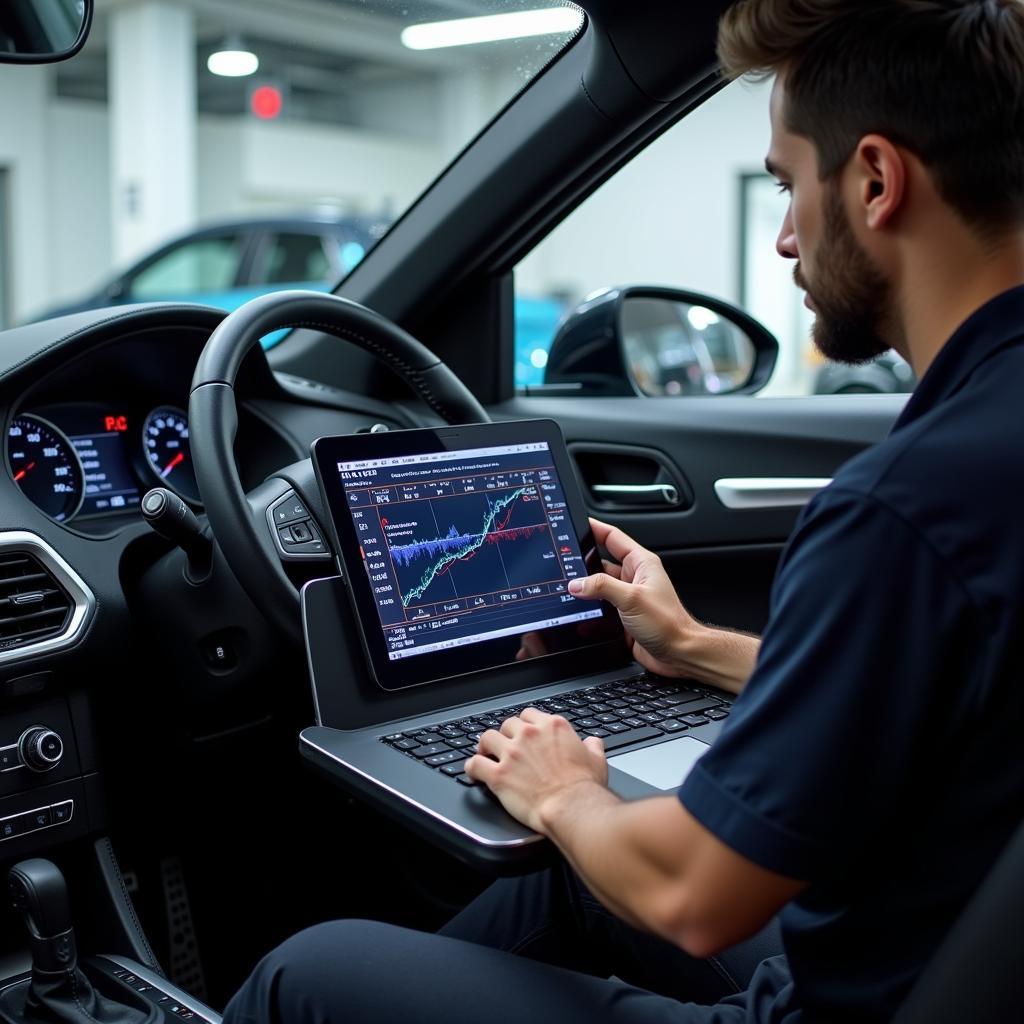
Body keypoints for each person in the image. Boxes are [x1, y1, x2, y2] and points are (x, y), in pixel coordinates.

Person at [222, 1, 1024, 1020]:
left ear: (873, 179)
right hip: (946, 959)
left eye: (787, 185)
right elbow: (939, 701)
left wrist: (561, 790)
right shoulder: (986, 454)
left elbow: (692, 897)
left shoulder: (903, 508)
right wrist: (692, 644)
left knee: (310, 969)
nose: (783, 238)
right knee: (564, 875)